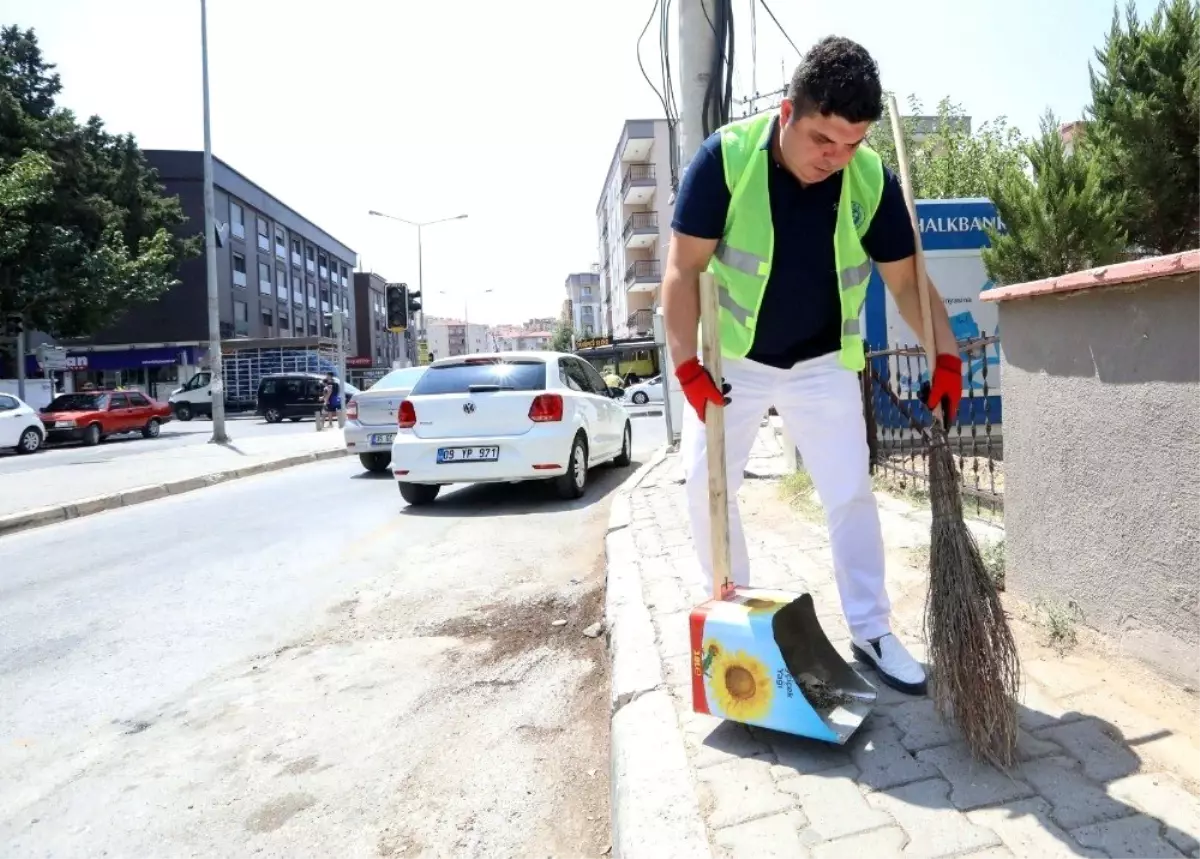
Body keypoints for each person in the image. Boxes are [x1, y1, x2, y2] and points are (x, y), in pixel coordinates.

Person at [662, 36, 962, 696]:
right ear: (787, 112)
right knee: (700, 486)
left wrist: (947, 356)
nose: (837, 157)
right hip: (731, 361)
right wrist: (686, 366)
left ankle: (871, 628)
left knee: (851, 491)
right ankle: (737, 613)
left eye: (853, 142)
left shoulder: (868, 179)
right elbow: (682, 271)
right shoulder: (726, 161)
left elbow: (909, 283)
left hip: (823, 360)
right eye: (825, 138)